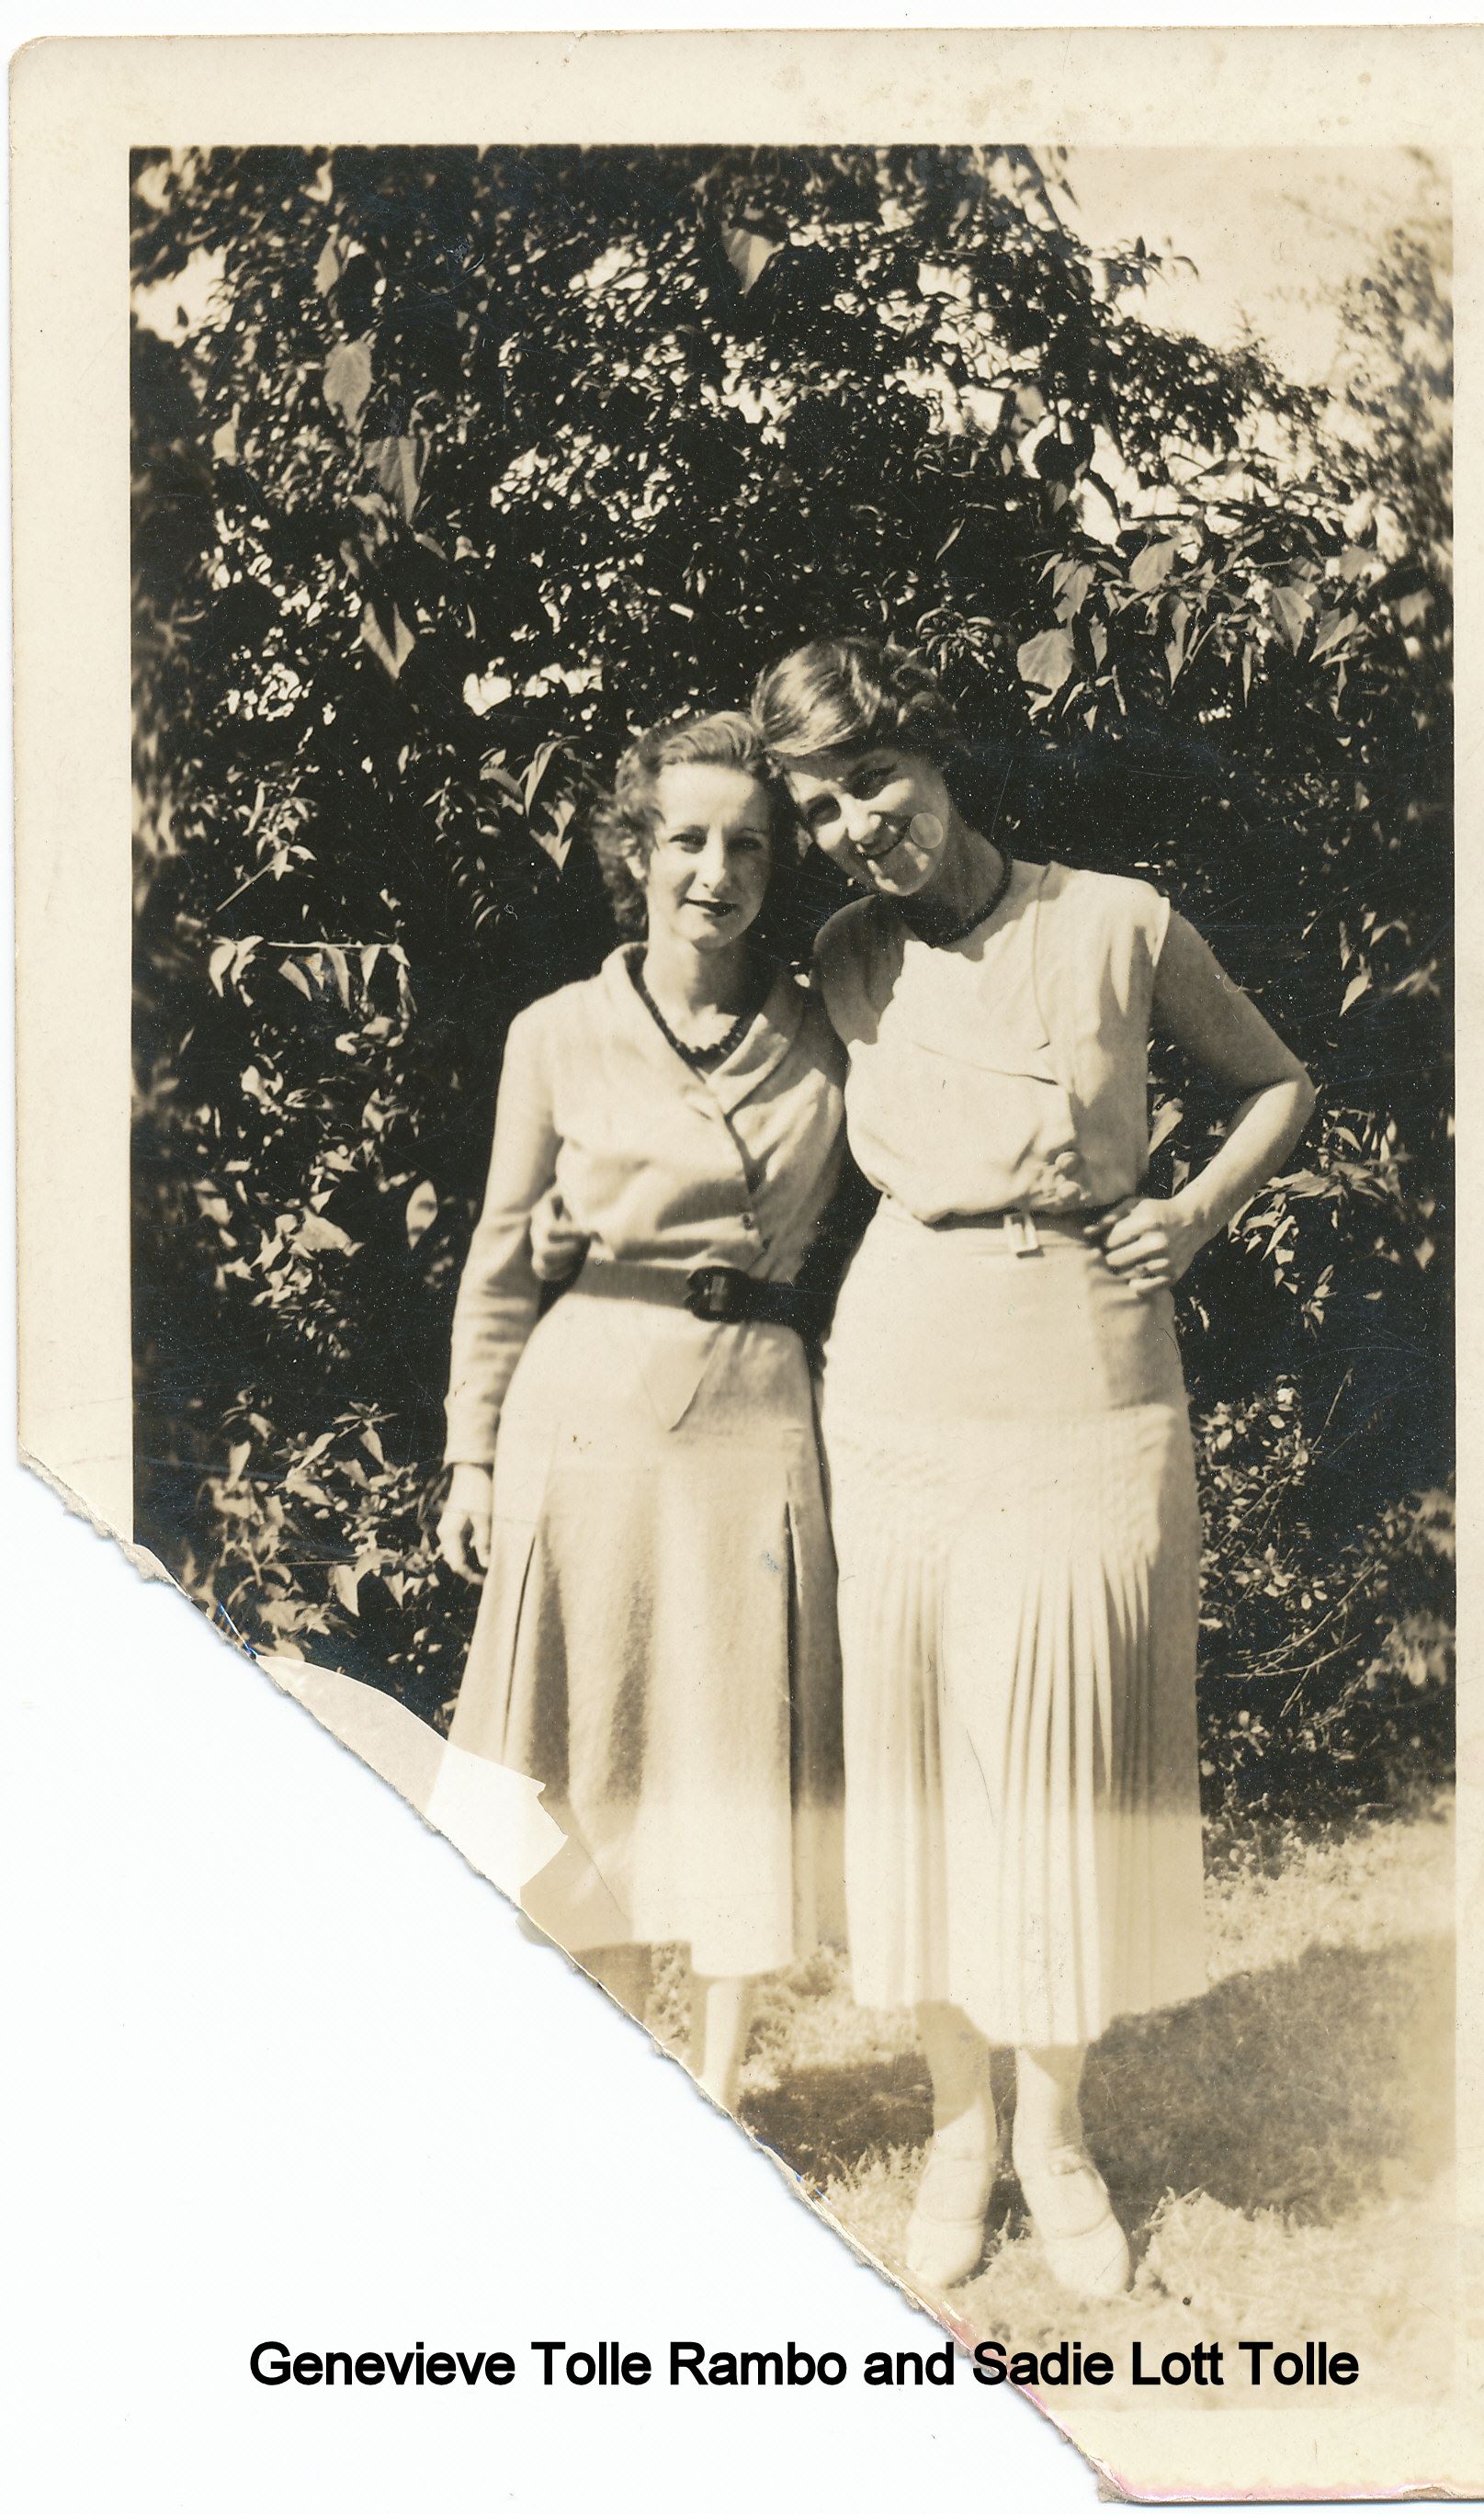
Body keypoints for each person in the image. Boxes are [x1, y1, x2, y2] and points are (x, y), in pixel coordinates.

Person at [748, 636, 1317, 2297]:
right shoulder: (843, 960)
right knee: (925, 1763)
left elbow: (1279, 1083)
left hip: (1090, 1368)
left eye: (873, 781)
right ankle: (958, 2131)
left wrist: (1191, 1215)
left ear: (936, 754)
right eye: (819, 809)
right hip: (904, 1376)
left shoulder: (1119, 921)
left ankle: (1056, 2137)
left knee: (1067, 1762)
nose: (857, 827)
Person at [436, 709, 846, 2111]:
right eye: (686, 840)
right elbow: (503, 1255)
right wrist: (471, 1453)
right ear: (637, 850)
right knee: (591, 1737)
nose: (713, 872)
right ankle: (620, 2082)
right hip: (589, 1406)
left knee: (735, 1740)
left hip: (754, 1409)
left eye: (747, 845)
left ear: (777, 864)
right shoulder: (557, 1033)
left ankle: (721, 2091)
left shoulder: (829, 1029)